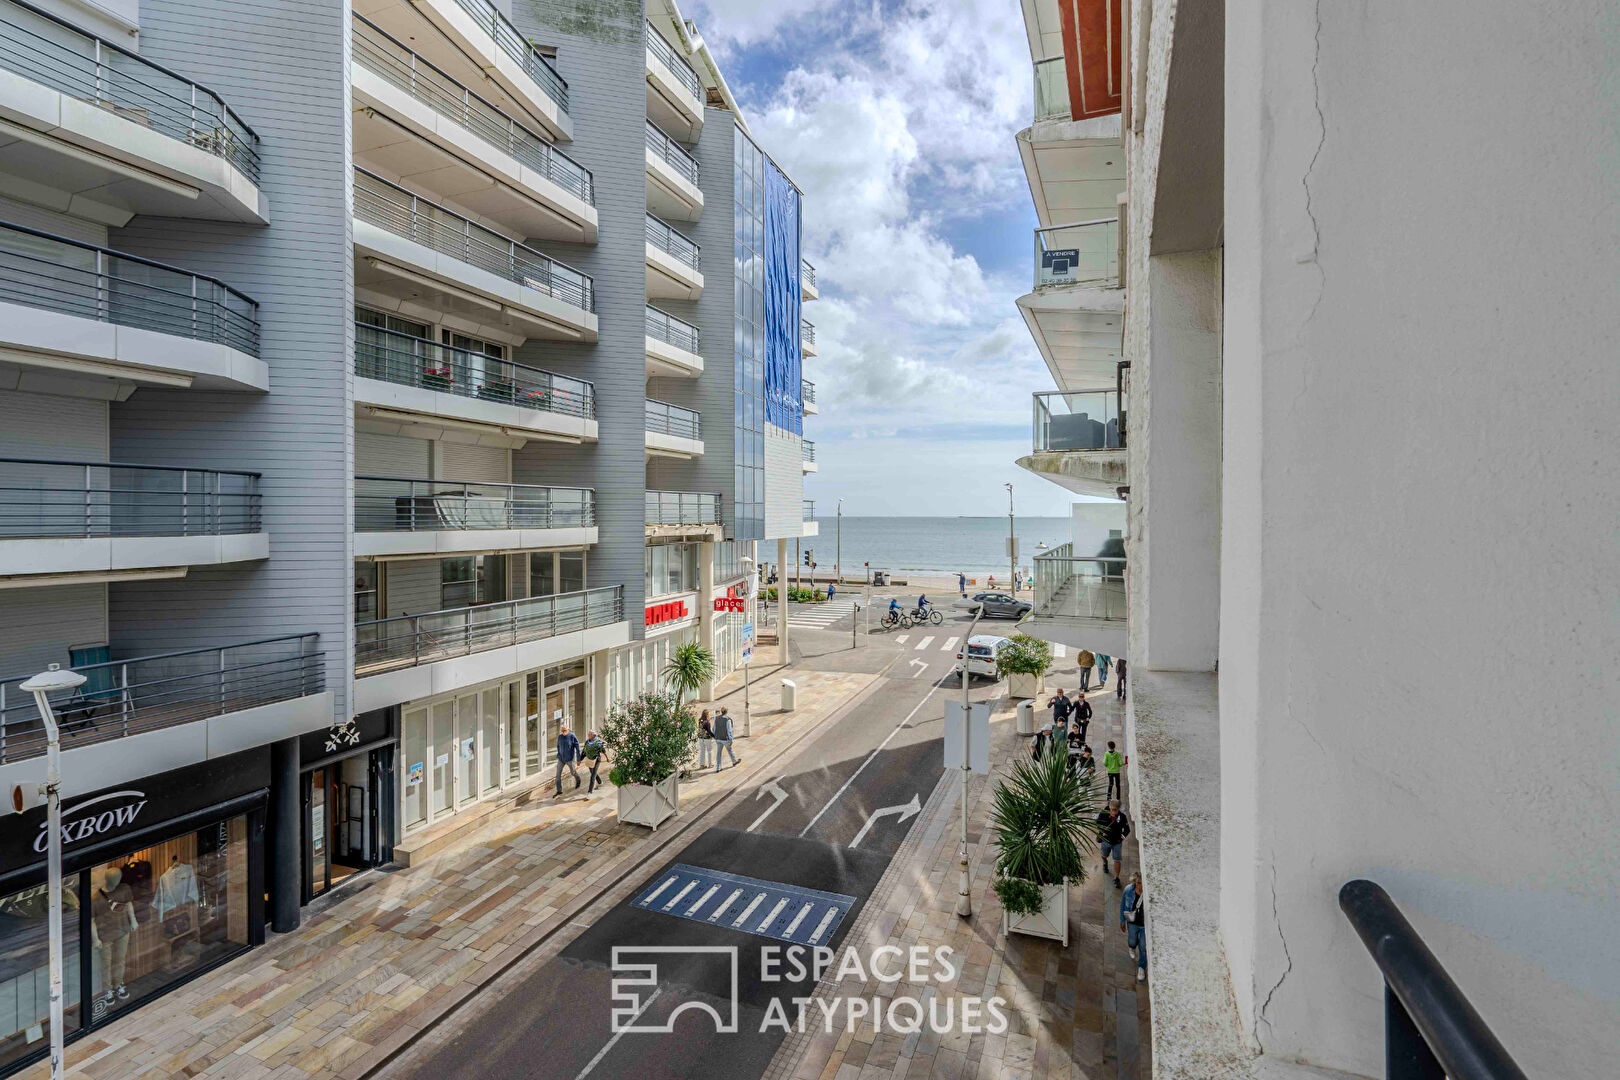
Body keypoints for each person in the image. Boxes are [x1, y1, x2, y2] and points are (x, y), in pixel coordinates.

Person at [1097, 799, 1131, 888]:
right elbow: (1098, 823)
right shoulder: (1104, 813)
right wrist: (1101, 832)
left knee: (1117, 860)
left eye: (1116, 810)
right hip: (1106, 841)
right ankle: (1105, 863)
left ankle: (1116, 878)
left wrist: (1121, 838)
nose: (1114, 812)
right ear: (1109, 808)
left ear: (1118, 809)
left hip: (1117, 843)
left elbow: (1127, 830)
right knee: (1103, 855)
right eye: (1112, 809)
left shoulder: (1122, 817)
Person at [1120, 872, 1148, 982]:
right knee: (1132, 941)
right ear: (1135, 882)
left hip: (1144, 925)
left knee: (1143, 946)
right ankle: (1131, 947)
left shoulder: (1148, 893)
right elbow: (1122, 905)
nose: (1140, 886)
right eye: (1138, 883)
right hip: (1132, 922)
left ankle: (1141, 967)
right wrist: (1122, 920)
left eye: (1142, 883)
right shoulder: (1128, 890)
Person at [553, 724, 581, 796]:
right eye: (562, 731)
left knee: (573, 772)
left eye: (564, 730)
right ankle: (559, 790)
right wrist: (559, 754)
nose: (563, 732)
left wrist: (578, 759)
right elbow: (558, 746)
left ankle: (578, 780)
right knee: (558, 775)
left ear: (568, 730)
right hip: (561, 759)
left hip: (570, 759)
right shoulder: (560, 737)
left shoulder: (572, 736)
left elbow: (577, 748)